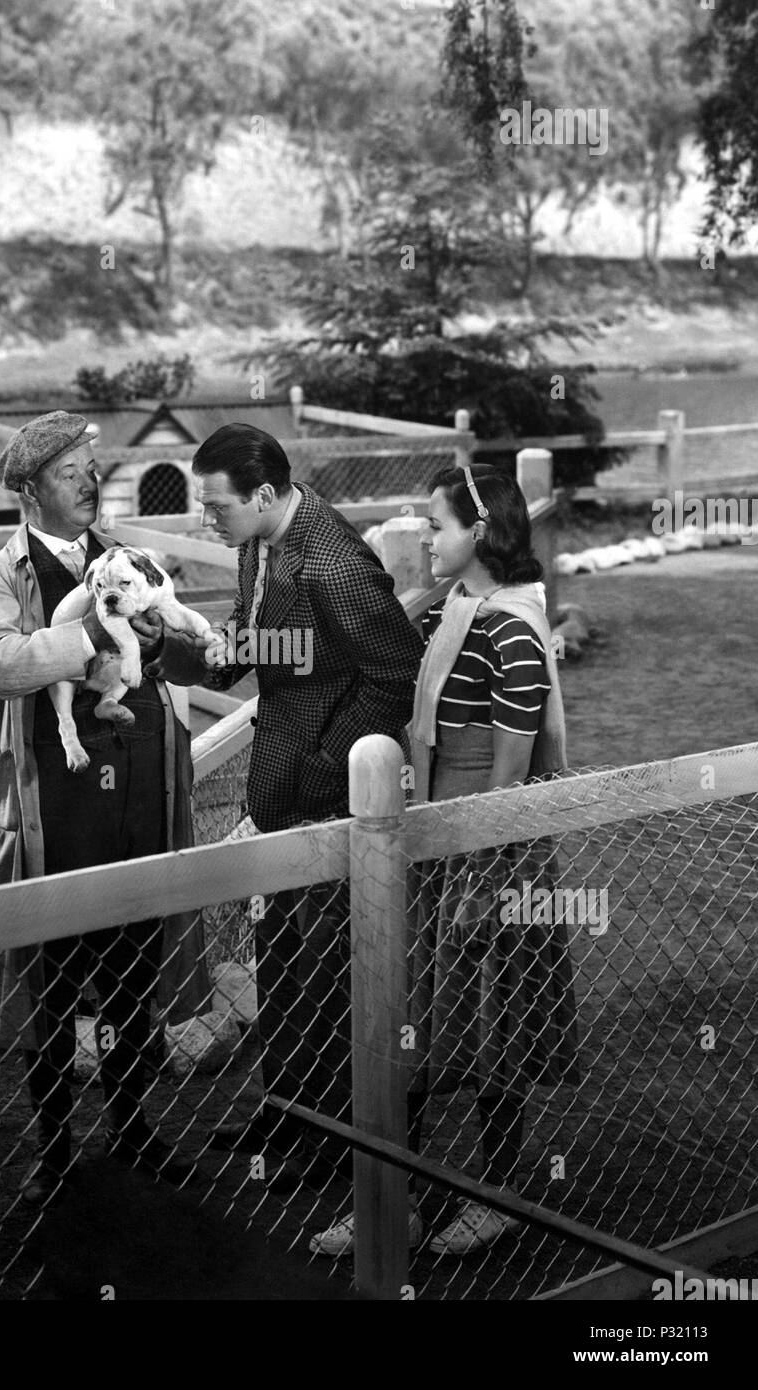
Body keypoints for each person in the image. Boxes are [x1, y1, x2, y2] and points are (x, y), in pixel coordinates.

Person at [310, 461, 581, 1258]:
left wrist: (483, 865)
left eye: (436, 525)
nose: (424, 537)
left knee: (490, 1012)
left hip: (486, 841)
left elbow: (512, 759)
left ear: (482, 532)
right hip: (434, 829)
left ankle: (495, 1191)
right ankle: (402, 1198)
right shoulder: (454, 611)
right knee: (413, 1017)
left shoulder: (510, 625)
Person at [148, 423, 424, 1190]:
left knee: (325, 967)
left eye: (216, 506)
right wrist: (162, 647)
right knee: (282, 959)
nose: (208, 520)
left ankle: (330, 1138)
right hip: (277, 786)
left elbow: (394, 671)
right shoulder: (257, 541)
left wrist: (321, 760)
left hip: (328, 795)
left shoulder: (333, 559)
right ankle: (286, 1107)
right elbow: (254, 647)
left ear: (263, 495)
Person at [0, 410, 210, 1206]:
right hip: (54, 799)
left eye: (90, 472)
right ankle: (55, 1146)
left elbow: (191, 650)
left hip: (137, 785)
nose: (89, 485)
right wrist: (88, 645)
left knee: (135, 962)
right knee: (54, 976)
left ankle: (133, 1126)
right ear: (29, 492)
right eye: (70, 475)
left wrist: (164, 638)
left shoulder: (129, 559)